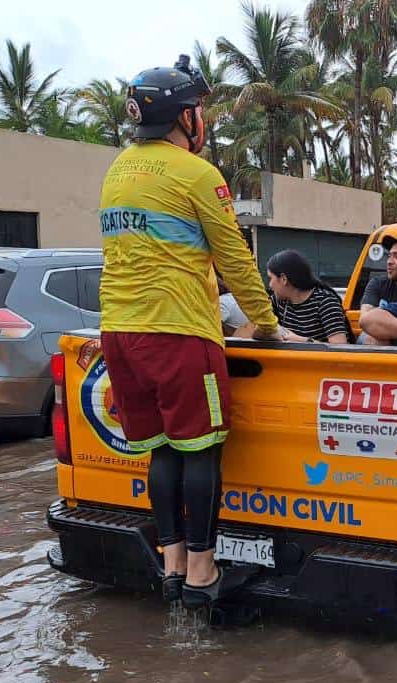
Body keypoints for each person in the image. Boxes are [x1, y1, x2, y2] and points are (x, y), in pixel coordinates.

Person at [98, 55, 283, 610]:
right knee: (200, 449)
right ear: (184, 118)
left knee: (161, 450)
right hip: (178, 332)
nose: (202, 119)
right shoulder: (198, 175)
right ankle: (203, 572)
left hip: (118, 333)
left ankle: (172, 561)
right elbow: (235, 259)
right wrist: (269, 325)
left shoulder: (117, 170)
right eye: (198, 109)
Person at [264, 249, 350, 344]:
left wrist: (301, 340)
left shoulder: (325, 302)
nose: (270, 285)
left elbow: (339, 348)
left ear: (284, 279)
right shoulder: (278, 301)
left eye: (270, 278)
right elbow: (252, 331)